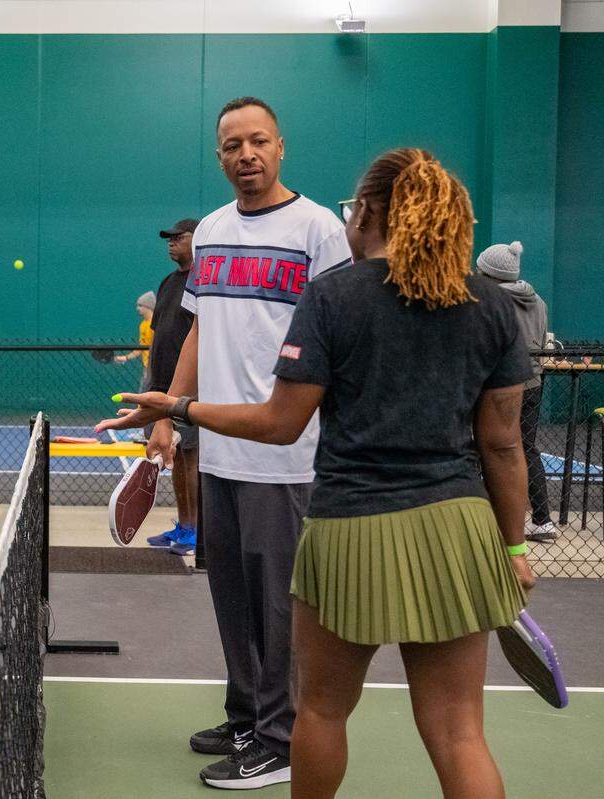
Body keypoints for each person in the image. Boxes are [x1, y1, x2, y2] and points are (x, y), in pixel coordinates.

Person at [103, 146, 536, 798]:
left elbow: (281, 422)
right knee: (458, 732)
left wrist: (177, 405)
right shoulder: (492, 308)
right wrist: (514, 545)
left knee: (322, 711)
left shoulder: (333, 297)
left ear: (366, 212)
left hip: (349, 529)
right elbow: (503, 447)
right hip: (458, 531)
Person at [140, 97, 354, 789]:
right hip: (220, 450)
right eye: (232, 145)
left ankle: (280, 736)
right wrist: (169, 412)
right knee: (231, 596)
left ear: (281, 147)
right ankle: (245, 714)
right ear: (220, 155)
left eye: (257, 141)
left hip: (289, 455)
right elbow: (199, 329)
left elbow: (343, 337)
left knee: (280, 605)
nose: (246, 155)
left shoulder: (320, 229)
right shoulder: (209, 230)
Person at [476, 241, 556, 543]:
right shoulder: (539, 302)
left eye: (480, 270)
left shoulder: (489, 302)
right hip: (533, 382)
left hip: (497, 388)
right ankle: (542, 520)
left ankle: (488, 519)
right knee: (525, 448)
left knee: (486, 448)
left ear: (490, 274)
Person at [143, 218, 202, 556]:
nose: (171, 242)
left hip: (188, 393)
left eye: (180, 237)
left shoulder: (202, 282)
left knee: (189, 459)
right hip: (161, 389)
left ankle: (196, 533)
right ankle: (184, 526)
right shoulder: (168, 283)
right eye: (169, 237)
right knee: (175, 461)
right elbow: (159, 335)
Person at [115, 291, 156, 389]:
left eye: (140, 305)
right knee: (144, 393)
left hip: (157, 367)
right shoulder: (142, 325)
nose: (137, 308)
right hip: (148, 367)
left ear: (148, 306)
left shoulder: (156, 323)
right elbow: (141, 347)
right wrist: (126, 357)